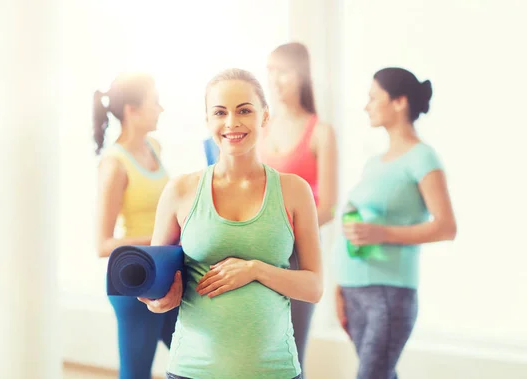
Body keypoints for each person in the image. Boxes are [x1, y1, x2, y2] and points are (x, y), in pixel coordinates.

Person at [138, 68, 324, 379]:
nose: (232, 123)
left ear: (264, 116)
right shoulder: (180, 191)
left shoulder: (294, 191)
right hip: (192, 370)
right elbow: (158, 286)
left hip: (275, 370)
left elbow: (314, 287)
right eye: (220, 112)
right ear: (208, 121)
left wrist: (255, 269)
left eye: (244, 111)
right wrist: (159, 300)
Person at [335, 67, 457, 379]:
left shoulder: (422, 158)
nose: (367, 105)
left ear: (400, 102)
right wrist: (340, 286)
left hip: (389, 292)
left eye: (374, 98)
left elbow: (446, 226)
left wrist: (381, 233)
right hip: (354, 289)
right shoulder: (373, 163)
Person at [93, 72, 178, 379]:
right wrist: (160, 240)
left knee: (197, 361)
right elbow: (102, 244)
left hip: (165, 276)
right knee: (136, 373)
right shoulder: (114, 164)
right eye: (155, 102)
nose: (161, 109)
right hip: (133, 281)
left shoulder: (154, 146)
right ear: (132, 110)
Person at [260, 42, 338, 369]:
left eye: (284, 73)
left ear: (302, 76)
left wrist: (289, 233)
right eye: (271, 73)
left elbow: (329, 207)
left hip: (298, 253)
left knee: (291, 352)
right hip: (258, 248)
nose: (276, 82)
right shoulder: (261, 126)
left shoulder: (321, 132)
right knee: (257, 349)